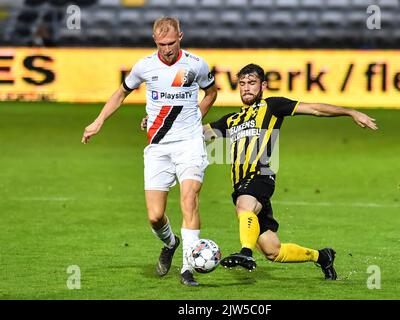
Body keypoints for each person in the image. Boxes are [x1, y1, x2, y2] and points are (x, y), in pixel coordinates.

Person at [203, 64, 378, 280]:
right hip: (241, 184)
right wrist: (158, 125)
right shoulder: (230, 120)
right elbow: (198, 133)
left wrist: (349, 112)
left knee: (243, 205)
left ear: (263, 85)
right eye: (242, 84)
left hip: (261, 176)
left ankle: (246, 253)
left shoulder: (272, 106)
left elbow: (315, 108)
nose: (246, 88)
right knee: (272, 250)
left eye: (251, 83)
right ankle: (322, 257)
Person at [82, 16, 218, 286]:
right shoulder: (145, 66)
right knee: (155, 216)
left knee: (189, 199)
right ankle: (170, 243)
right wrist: (98, 121)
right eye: (161, 44)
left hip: (189, 144)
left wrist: (194, 118)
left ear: (180, 36)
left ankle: (188, 268)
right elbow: (121, 93)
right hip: (158, 148)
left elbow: (211, 92)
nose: (166, 49)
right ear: (154, 41)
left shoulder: (195, 64)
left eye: (170, 42)